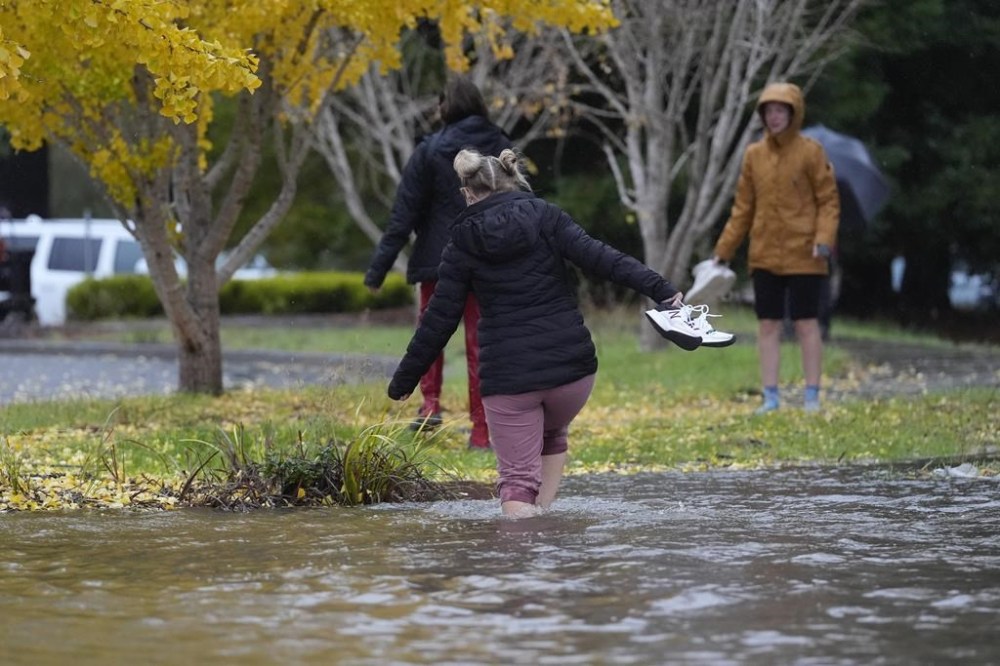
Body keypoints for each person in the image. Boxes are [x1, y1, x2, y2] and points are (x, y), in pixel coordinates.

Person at [387, 148, 688, 517]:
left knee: (517, 483)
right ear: (512, 178)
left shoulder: (461, 243)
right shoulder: (546, 216)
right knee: (551, 434)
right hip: (572, 374)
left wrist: (404, 380)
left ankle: (524, 548)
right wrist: (662, 290)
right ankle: (544, 536)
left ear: (467, 193)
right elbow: (602, 258)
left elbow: (439, 319)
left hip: (511, 381)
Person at [365, 77, 512, 449]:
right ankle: (482, 431)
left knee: (430, 335)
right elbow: (518, 205)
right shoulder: (501, 146)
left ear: (447, 106)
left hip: (439, 261)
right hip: (488, 260)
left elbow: (405, 213)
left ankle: (430, 407)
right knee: (483, 345)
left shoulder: (429, 150)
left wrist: (379, 268)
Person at [710, 82, 840, 413]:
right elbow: (742, 209)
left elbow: (828, 201)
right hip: (764, 254)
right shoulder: (754, 155)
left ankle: (812, 396)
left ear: (794, 114)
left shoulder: (811, 152)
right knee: (768, 324)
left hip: (806, 254)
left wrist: (824, 240)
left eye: (781, 110)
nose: (774, 117)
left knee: (806, 323)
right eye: (769, 111)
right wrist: (723, 251)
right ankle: (770, 397)